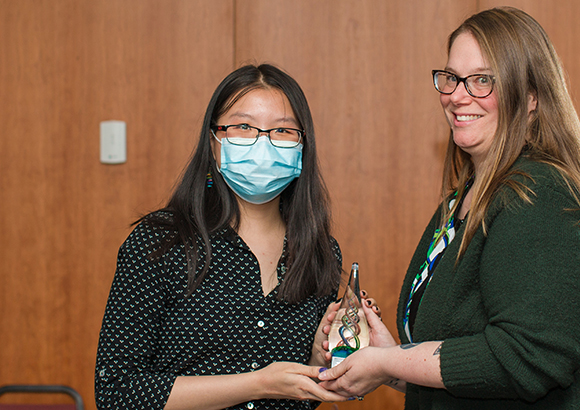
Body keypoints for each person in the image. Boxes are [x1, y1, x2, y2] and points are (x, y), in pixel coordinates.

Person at [318, 7, 580, 409]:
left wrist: (390, 360)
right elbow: (474, 376)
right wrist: (389, 363)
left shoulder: (540, 194)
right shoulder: (462, 201)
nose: (456, 96)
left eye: (482, 80)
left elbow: (528, 357)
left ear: (532, 95)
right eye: (450, 78)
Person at [95, 64, 376, 410]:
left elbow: (298, 397)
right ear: (213, 142)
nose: (262, 143)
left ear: (302, 146)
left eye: (283, 131)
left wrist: (320, 359)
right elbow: (117, 392)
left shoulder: (320, 251)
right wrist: (256, 384)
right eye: (243, 127)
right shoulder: (159, 242)